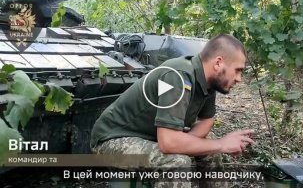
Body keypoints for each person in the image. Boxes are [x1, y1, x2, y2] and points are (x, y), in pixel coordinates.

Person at [90, 34, 255, 188]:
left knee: (209, 150)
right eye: (238, 70)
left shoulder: (208, 81)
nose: (239, 79)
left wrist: (186, 143)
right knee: (176, 162)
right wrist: (220, 144)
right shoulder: (177, 75)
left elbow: (207, 121)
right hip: (111, 140)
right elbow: (168, 143)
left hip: (150, 136)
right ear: (218, 63)